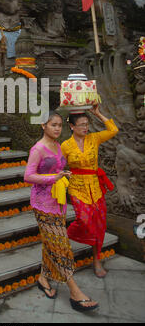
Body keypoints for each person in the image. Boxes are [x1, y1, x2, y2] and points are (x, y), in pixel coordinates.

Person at [24, 112, 99, 312]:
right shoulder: (37, 149)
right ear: (43, 126)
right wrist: (53, 178)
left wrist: (63, 176)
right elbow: (28, 176)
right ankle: (75, 292)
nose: (57, 129)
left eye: (59, 125)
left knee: (52, 242)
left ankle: (43, 278)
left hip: (58, 202)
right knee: (61, 245)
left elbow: (58, 170)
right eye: (53, 125)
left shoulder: (58, 146)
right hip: (42, 204)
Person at [61, 105, 119, 278]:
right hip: (77, 188)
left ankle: (96, 259)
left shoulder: (94, 139)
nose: (85, 128)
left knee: (99, 226)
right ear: (72, 126)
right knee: (84, 221)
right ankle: (62, 236)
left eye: (87, 124)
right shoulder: (65, 145)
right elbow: (57, 166)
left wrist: (98, 113)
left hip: (95, 188)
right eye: (81, 125)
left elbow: (113, 129)